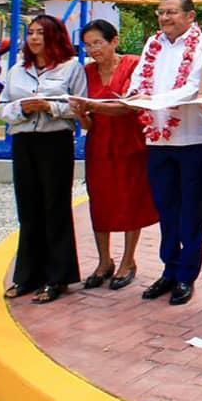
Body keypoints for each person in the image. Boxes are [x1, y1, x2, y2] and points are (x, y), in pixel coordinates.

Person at [128, 0, 202, 307]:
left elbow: (195, 87)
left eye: (171, 12)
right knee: (166, 209)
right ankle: (169, 268)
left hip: (192, 140)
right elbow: (139, 80)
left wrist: (154, 101)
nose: (165, 18)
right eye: (161, 12)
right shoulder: (153, 45)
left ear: (191, 16)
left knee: (191, 211)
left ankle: (186, 276)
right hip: (157, 140)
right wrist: (135, 96)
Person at [0, 14, 87, 304]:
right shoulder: (16, 71)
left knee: (55, 207)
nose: (35, 38)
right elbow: (2, 107)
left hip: (55, 142)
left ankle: (57, 277)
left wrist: (49, 107)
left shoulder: (71, 68)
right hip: (24, 141)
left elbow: (80, 107)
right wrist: (23, 110)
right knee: (28, 207)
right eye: (32, 33)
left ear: (55, 37)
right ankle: (26, 276)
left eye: (41, 33)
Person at [68, 19, 157, 291]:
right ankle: (103, 260)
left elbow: (130, 106)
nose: (93, 49)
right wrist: (82, 115)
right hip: (100, 146)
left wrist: (94, 105)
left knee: (132, 200)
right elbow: (88, 123)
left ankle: (128, 261)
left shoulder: (133, 65)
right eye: (88, 45)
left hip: (130, 143)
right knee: (101, 202)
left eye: (98, 43)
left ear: (114, 41)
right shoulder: (87, 73)